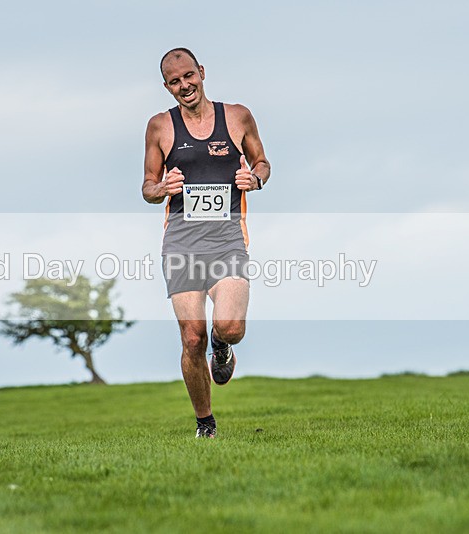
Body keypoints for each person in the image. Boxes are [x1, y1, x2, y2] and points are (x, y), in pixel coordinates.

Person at [143, 48, 271, 438]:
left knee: (229, 326)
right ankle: (206, 424)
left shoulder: (237, 116)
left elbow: (262, 162)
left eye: (188, 76)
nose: (184, 86)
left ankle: (223, 345)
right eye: (175, 82)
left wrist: (257, 178)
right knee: (191, 336)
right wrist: (162, 187)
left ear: (201, 72)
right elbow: (148, 188)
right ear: (167, 87)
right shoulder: (159, 127)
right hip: (181, 240)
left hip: (226, 237)